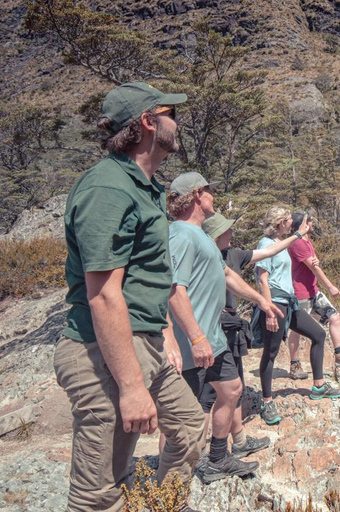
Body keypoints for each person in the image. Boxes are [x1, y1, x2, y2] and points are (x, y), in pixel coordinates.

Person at [55, 82, 205, 512]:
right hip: (101, 353)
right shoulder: (108, 188)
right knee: (98, 496)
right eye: (169, 113)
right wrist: (132, 386)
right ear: (147, 122)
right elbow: (102, 295)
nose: (177, 122)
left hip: (142, 344)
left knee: (191, 428)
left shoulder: (145, 187)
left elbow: (149, 277)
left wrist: (167, 337)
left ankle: (161, 505)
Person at [166, 172, 284, 484]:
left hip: (212, 337)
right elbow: (174, 291)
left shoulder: (201, 236)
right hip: (193, 340)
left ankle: (218, 457)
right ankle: (171, 481)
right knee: (185, 413)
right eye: (208, 192)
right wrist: (195, 337)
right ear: (196, 197)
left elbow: (227, 275)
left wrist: (261, 300)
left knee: (231, 389)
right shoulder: (179, 235)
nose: (213, 197)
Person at [196, 212, 313, 456]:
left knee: (236, 387)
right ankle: (198, 455)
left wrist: (297, 236)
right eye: (227, 230)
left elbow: (270, 252)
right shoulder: (202, 257)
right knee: (207, 396)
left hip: (231, 325)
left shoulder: (235, 255)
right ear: (216, 236)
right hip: (210, 326)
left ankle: (238, 443)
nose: (232, 233)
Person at [253, 206, 340, 426]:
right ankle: (267, 401)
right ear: (279, 223)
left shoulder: (281, 243)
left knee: (318, 335)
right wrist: (268, 310)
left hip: (290, 302)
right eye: (287, 220)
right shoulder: (266, 244)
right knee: (271, 352)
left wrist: (302, 236)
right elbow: (262, 279)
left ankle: (319, 386)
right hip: (276, 303)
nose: (290, 224)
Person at [286, 212, 340, 380]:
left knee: (334, 317)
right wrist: (331, 287)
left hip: (312, 291)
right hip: (301, 294)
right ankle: (294, 364)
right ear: (303, 224)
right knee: (297, 331)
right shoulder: (297, 243)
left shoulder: (306, 241)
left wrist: (316, 261)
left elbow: (314, 262)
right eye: (309, 221)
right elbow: (313, 267)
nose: (312, 223)